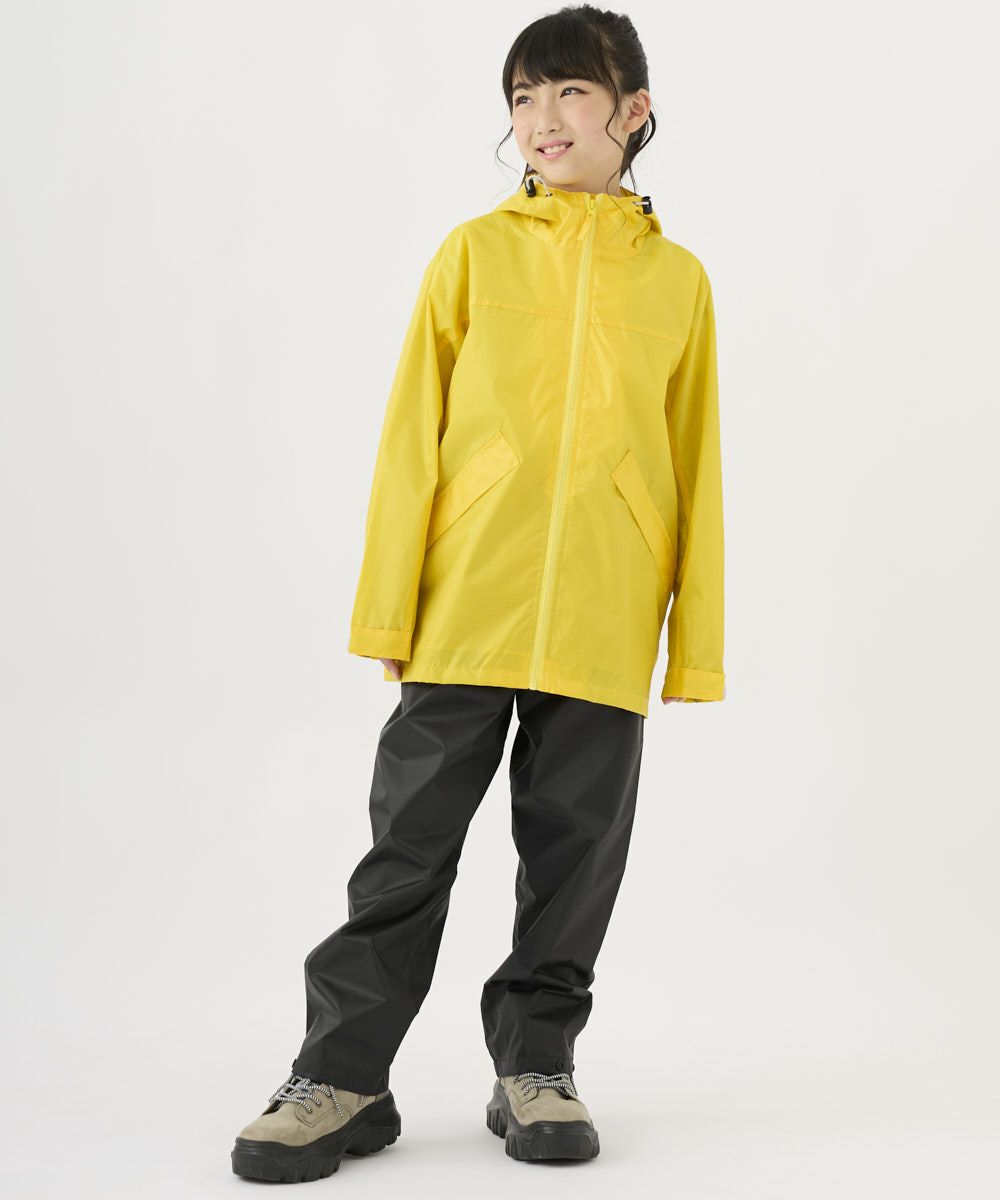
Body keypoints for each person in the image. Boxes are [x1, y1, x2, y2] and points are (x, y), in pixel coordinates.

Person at [231, 3, 726, 1181]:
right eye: (521, 97)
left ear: (631, 110)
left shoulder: (680, 283)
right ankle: (341, 1076)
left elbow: (696, 463)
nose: (540, 118)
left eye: (567, 92)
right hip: (466, 604)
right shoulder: (472, 254)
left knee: (574, 857)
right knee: (406, 852)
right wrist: (389, 607)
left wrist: (692, 644)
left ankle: (535, 1068)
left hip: (605, 611)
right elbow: (411, 435)